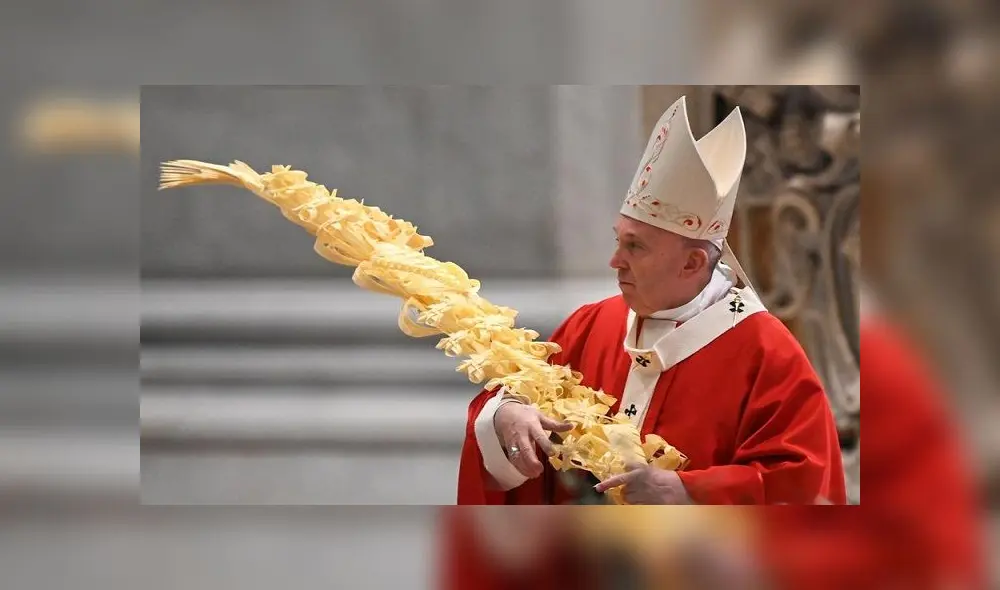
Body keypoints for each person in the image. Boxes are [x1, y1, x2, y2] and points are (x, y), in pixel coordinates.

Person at [456, 95, 847, 505]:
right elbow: (515, 393)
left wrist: (686, 492)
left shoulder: (767, 354)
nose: (615, 261)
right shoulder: (589, 325)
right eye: (617, 239)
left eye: (635, 247)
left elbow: (801, 484)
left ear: (692, 262)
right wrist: (504, 415)